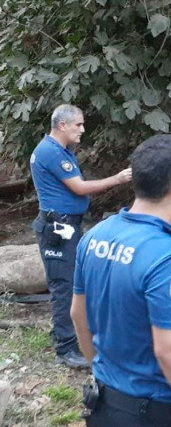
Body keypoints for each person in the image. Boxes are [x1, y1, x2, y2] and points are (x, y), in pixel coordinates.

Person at [70, 135, 171, 427]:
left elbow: (78, 314)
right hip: (154, 410)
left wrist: (102, 371)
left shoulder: (95, 236)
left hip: (106, 402)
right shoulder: (168, 255)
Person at [29, 104, 131, 368]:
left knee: (77, 282)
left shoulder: (60, 150)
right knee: (64, 287)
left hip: (68, 225)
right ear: (62, 125)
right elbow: (79, 187)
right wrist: (118, 179)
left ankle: (77, 335)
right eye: (79, 125)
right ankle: (65, 348)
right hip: (58, 229)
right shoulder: (51, 152)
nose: (83, 130)